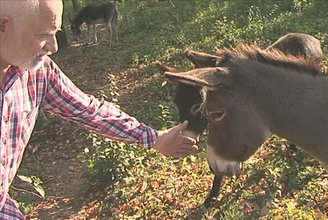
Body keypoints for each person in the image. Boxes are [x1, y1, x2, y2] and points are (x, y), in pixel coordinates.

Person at [0, 0, 198, 218]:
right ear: (3, 26)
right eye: (42, 35)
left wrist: (154, 138)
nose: (54, 46)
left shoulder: (37, 73)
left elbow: (89, 110)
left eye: (55, 33)